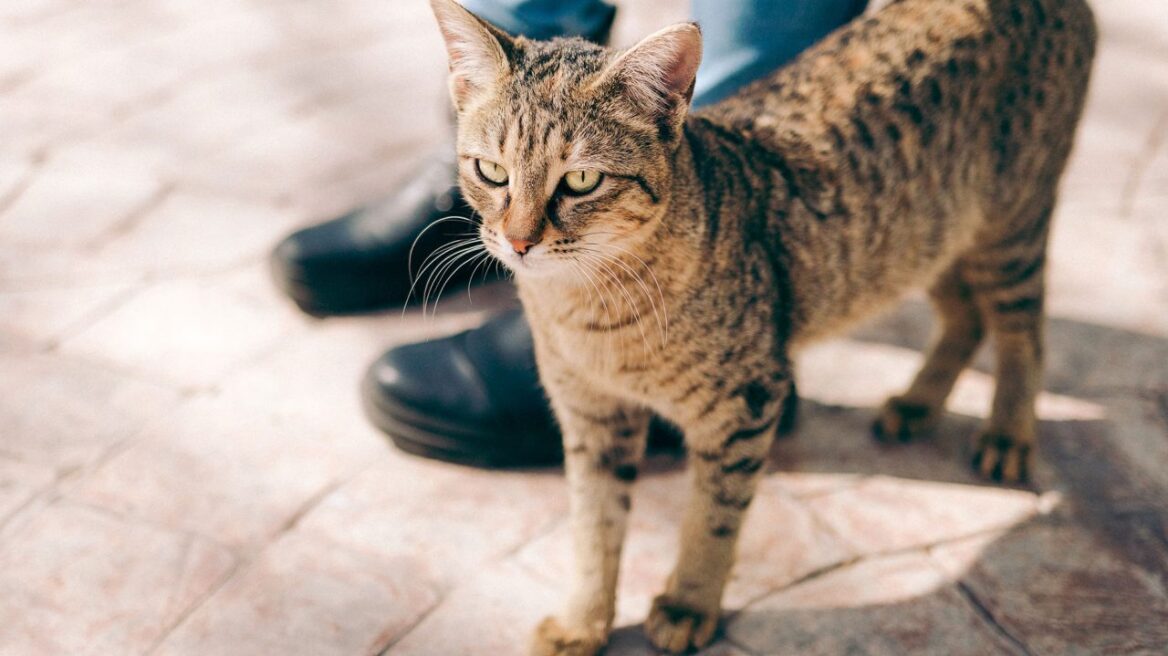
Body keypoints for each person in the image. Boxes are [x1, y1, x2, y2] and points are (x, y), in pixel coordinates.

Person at [270, 0, 868, 467]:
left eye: (576, 180)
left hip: (709, 284)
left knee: (747, 82)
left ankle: (703, 341)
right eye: (490, 171)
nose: (521, 232)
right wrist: (521, 169)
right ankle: (492, 177)